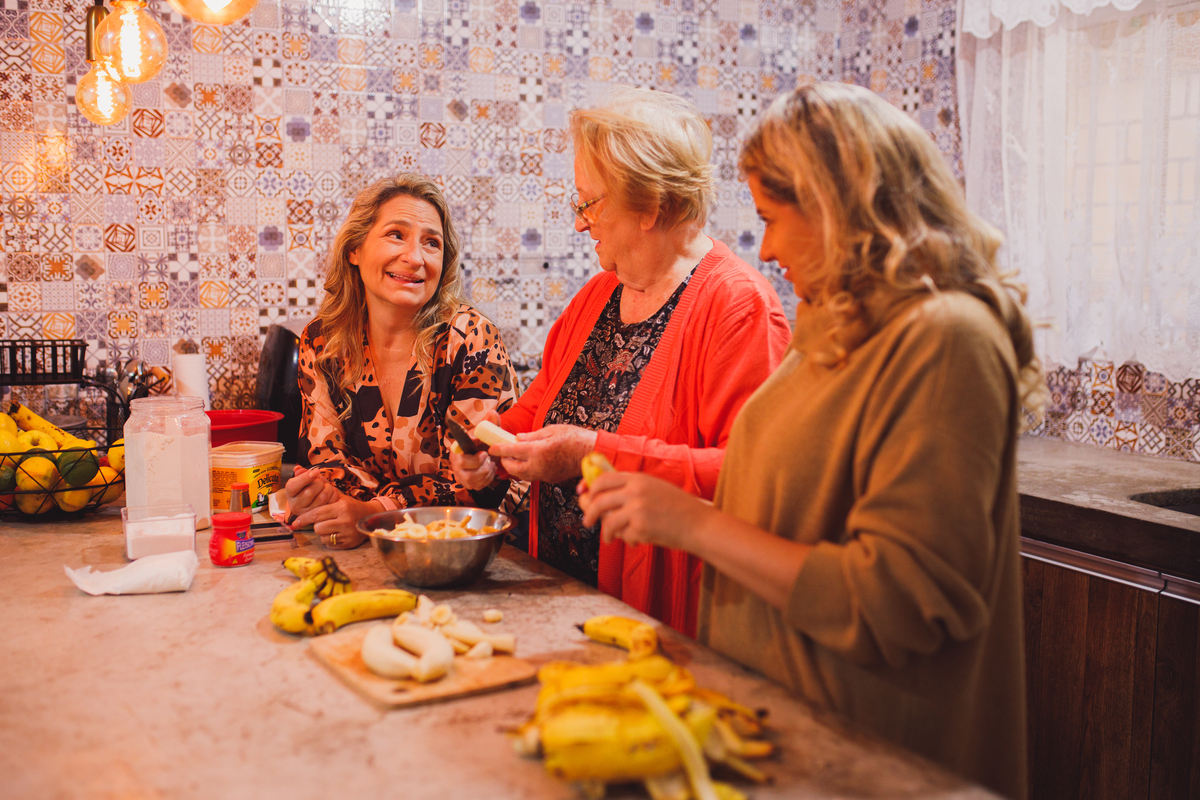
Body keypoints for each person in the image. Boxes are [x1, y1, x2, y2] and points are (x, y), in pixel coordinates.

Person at [579, 83, 1044, 800]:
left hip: (878, 756)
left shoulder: (948, 339)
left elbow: (900, 600)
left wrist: (690, 523)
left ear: (836, 203)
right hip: (790, 728)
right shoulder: (836, 321)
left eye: (771, 217)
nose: (763, 246)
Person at [451, 88, 792, 637]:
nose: (582, 223)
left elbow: (748, 477)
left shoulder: (737, 305)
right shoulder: (597, 296)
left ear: (651, 206)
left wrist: (595, 452)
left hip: (657, 622)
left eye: (591, 202)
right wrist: (486, 462)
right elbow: (535, 415)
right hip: (560, 604)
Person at [285, 174, 522, 549]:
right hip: (380, 551)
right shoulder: (324, 341)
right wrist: (322, 496)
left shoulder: (469, 339)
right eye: (396, 234)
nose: (414, 258)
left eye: (431, 243)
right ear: (355, 250)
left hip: (484, 552)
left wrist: (372, 511)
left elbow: (478, 484)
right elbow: (327, 459)